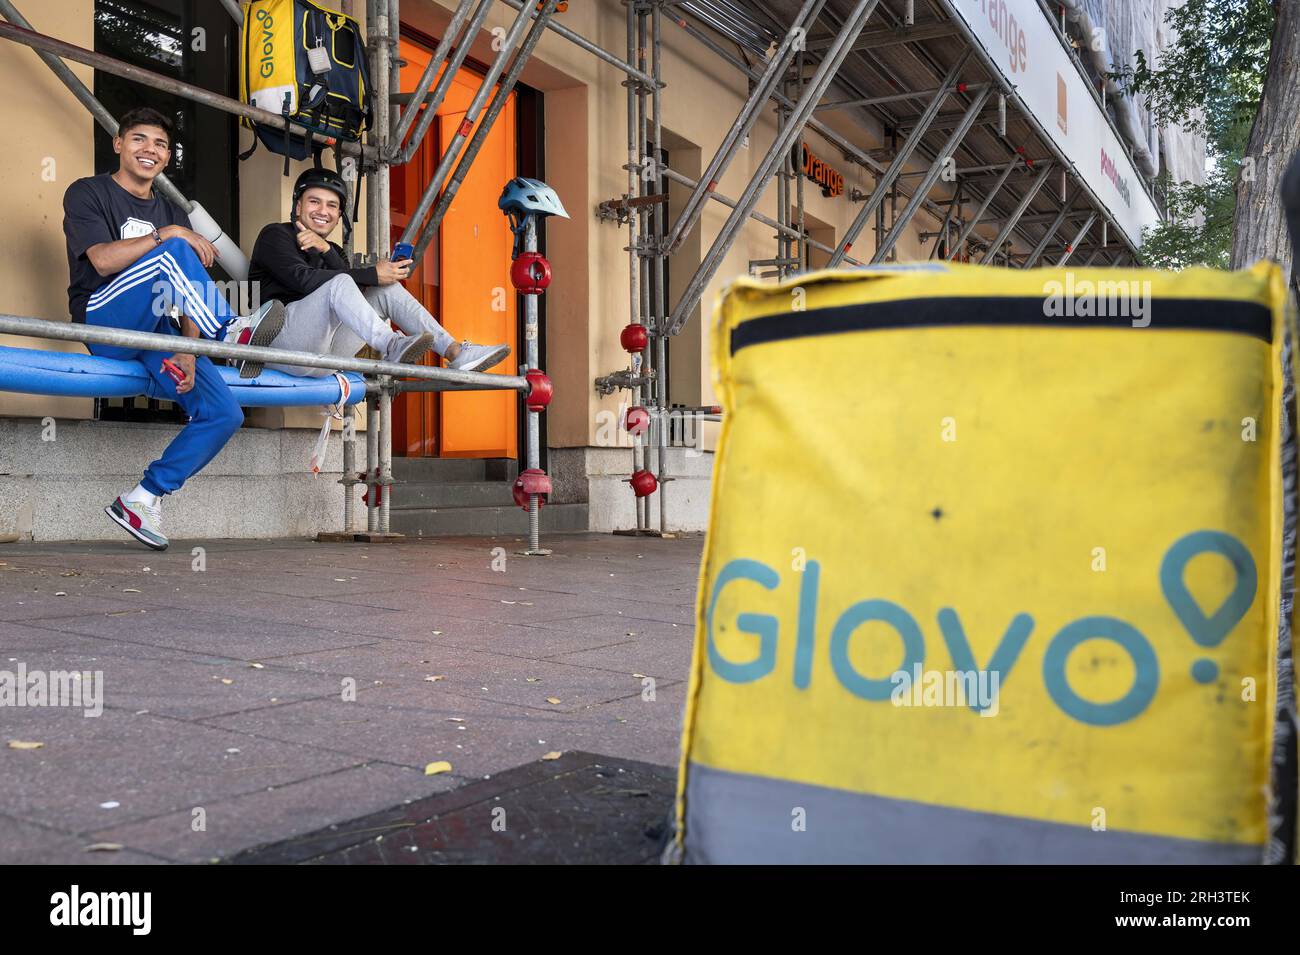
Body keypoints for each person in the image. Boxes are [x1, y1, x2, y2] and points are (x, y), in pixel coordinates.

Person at [63, 106, 285, 551]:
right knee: (174, 249)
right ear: (119, 144)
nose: (150, 150)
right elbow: (103, 261)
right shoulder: (88, 193)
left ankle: (142, 497)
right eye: (140, 139)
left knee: (223, 414)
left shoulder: (169, 211)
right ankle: (230, 332)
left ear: (167, 158)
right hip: (104, 318)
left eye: (161, 144)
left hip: (157, 330)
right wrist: (166, 235)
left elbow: (184, 291)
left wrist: (188, 348)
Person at [248, 167, 510, 377]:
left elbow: (354, 290)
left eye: (332, 206)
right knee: (345, 282)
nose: (323, 211)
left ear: (339, 216)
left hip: (323, 358)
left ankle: (454, 352)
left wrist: (327, 250)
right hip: (279, 345)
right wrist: (372, 273)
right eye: (314, 201)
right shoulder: (276, 234)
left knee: (386, 289)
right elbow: (303, 281)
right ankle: (391, 345)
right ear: (297, 207)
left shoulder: (333, 250)